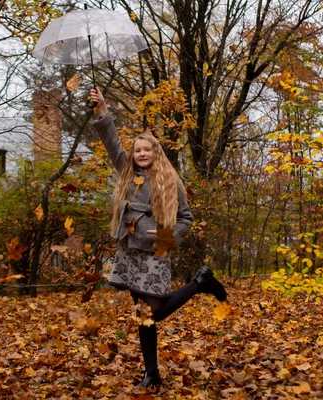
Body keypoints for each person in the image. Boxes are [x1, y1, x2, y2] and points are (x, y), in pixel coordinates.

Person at [90, 88, 227, 388]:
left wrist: (166, 236)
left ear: (155, 153)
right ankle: (151, 373)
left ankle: (199, 283)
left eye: (146, 150)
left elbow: (186, 219)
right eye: (137, 150)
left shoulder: (169, 180)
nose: (141, 154)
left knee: (155, 311)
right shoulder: (127, 172)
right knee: (143, 316)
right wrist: (102, 109)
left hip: (156, 250)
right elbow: (112, 143)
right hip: (129, 252)